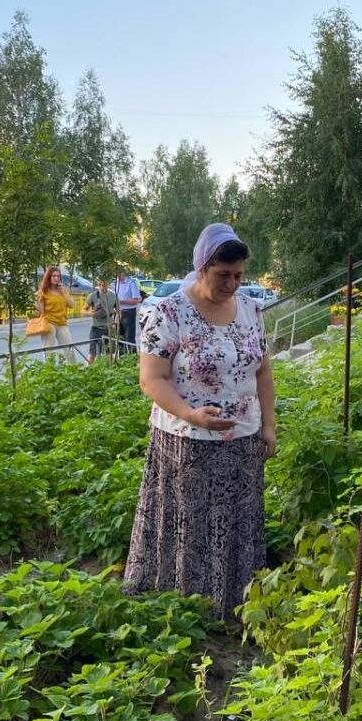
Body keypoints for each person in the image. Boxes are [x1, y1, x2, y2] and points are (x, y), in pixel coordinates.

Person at [124, 223, 277, 619]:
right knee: (189, 526)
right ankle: (183, 609)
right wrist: (191, 414)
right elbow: (151, 379)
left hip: (242, 441)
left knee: (236, 523)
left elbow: (262, 372)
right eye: (223, 275)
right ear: (202, 267)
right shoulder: (167, 312)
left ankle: (234, 603)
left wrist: (269, 426)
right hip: (186, 442)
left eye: (239, 275)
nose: (232, 284)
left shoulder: (250, 308)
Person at [36, 266, 75, 360]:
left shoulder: (63, 290)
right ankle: (49, 372)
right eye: (53, 276)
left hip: (62, 323)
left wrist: (63, 292)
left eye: (58, 276)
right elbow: (41, 311)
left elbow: (72, 305)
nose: (56, 278)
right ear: (48, 277)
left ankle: (73, 371)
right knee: (49, 352)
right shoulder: (43, 292)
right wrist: (36, 302)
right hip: (49, 323)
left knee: (70, 350)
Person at [85, 280, 119, 362]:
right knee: (92, 354)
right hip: (96, 327)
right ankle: (89, 370)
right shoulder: (93, 295)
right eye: (100, 285)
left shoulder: (113, 296)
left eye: (104, 285)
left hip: (109, 328)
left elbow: (119, 312)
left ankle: (107, 371)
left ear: (108, 285)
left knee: (108, 354)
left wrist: (115, 322)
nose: (102, 287)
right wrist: (91, 313)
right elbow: (83, 311)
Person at [115, 271, 142, 351]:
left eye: (119, 273)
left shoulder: (131, 283)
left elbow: (136, 300)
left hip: (128, 312)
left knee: (129, 337)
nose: (118, 275)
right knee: (119, 338)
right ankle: (121, 359)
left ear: (123, 273)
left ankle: (132, 359)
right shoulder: (115, 283)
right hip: (117, 312)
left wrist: (121, 301)